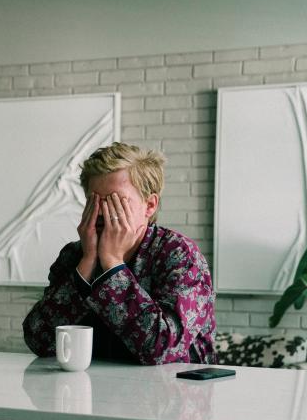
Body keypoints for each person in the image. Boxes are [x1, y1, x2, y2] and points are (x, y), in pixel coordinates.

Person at [22, 142, 215, 365]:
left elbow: (161, 348)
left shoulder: (180, 256)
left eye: (116, 202)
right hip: (92, 391)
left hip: (175, 393)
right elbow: (38, 340)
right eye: (96, 201)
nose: (104, 212)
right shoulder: (74, 255)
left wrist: (112, 264)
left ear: (149, 205)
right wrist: (87, 264)